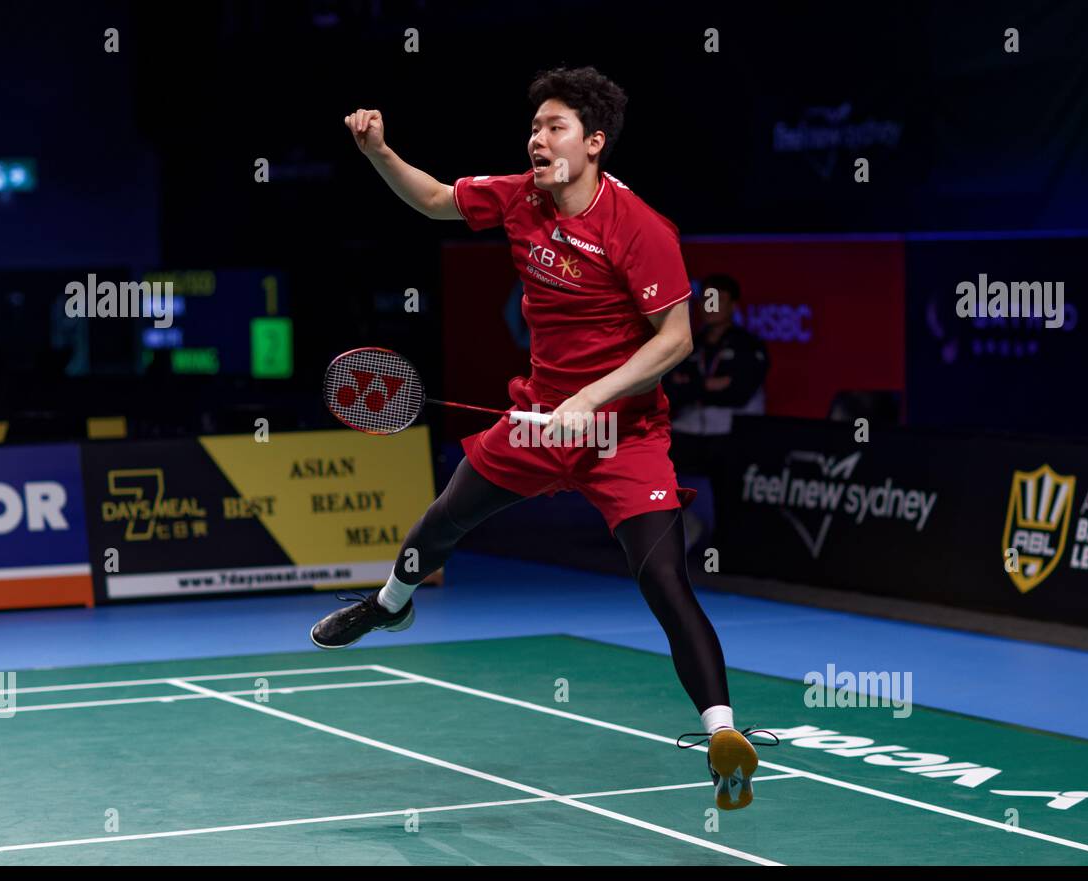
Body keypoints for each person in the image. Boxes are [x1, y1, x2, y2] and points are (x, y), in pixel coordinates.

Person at [314, 66, 773, 810]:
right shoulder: (520, 199)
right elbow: (433, 200)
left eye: (555, 126)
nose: (537, 137)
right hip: (536, 421)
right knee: (444, 520)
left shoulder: (640, 229)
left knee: (664, 578)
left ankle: (723, 736)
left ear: (593, 144)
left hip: (624, 437)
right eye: (534, 126)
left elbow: (677, 340)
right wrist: (377, 153)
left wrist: (593, 397)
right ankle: (390, 604)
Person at [664, 274, 769, 548]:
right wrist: (711, 384)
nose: (710, 306)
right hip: (688, 429)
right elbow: (672, 391)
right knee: (648, 468)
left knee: (730, 488)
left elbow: (738, 393)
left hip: (730, 432)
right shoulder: (688, 345)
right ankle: (684, 524)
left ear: (733, 305)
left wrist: (694, 386)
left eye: (718, 300)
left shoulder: (749, 346)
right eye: (705, 300)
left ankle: (728, 548)